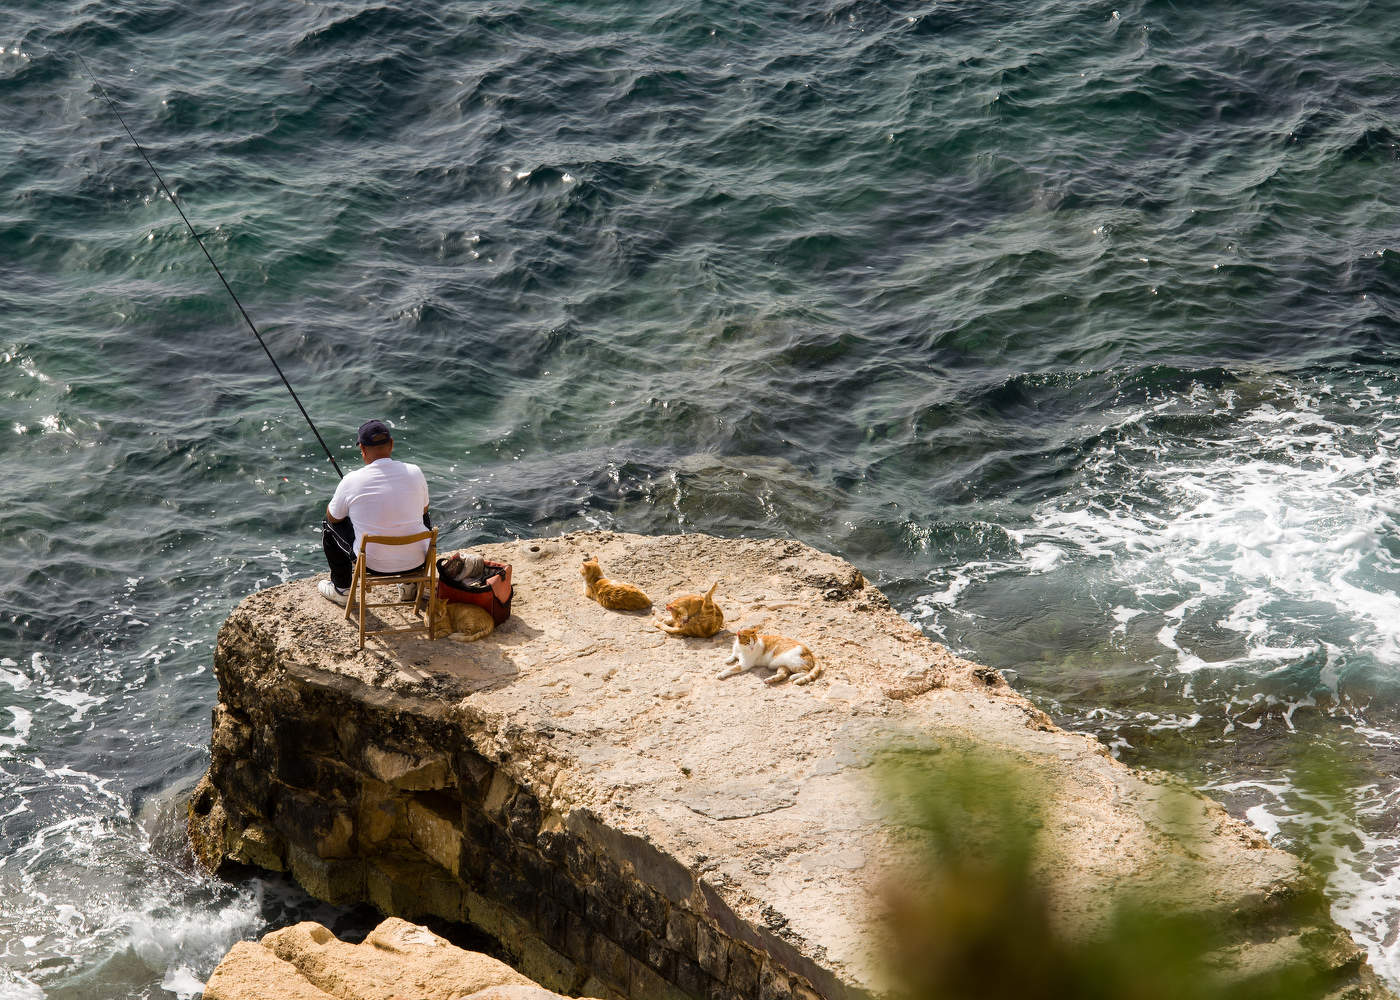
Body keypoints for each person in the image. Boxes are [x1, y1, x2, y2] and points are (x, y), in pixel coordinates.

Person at [318, 419, 431, 606]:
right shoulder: (415, 472)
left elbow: (333, 517)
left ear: (362, 448)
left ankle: (342, 589)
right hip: (418, 560)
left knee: (328, 524)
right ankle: (410, 584)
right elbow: (424, 511)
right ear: (391, 444)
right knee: (421, 514)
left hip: (373, 566)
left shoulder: (351, 480)